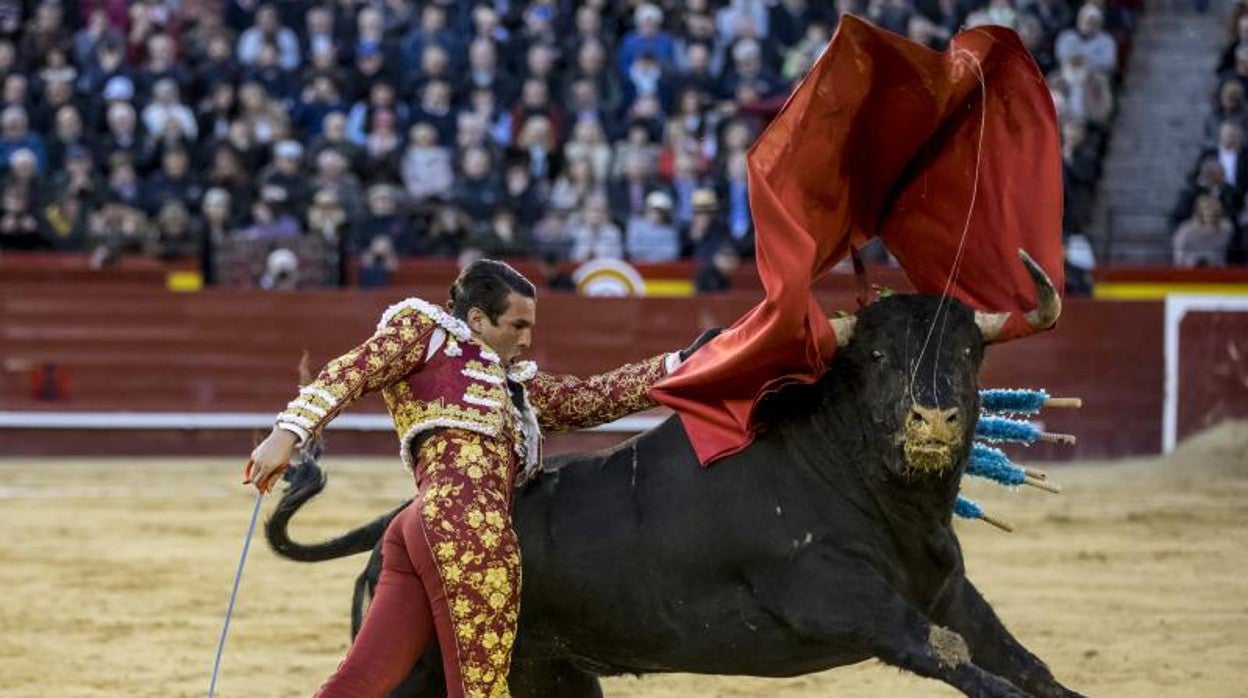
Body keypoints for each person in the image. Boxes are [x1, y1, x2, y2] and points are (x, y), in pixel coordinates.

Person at [245, 260, 718, 697]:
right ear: (476, 318)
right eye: (517, 325)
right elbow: (353, 369)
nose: (528, 339)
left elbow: (590, 398)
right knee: (480, 690)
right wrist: (287, 433)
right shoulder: (426, 335)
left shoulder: (515, 386)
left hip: (418, 526)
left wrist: (679, 364)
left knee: (362, 680)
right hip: (469, 527)